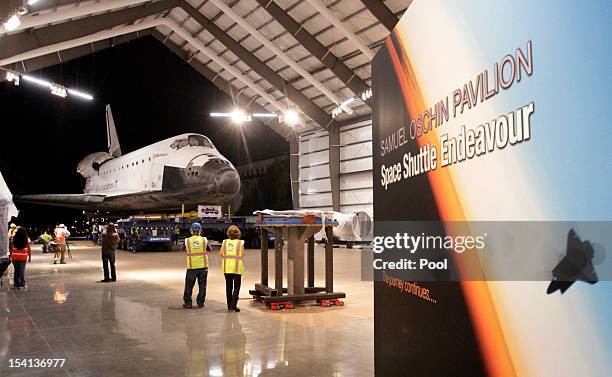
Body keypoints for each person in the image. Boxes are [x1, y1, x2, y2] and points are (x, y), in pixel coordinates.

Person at [182, 223, 211, 309]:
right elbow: (210, 249)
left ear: (191, 230)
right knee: (202, 285)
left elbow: (182, 248)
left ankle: (188, 303)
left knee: (189, 285)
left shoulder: (187, 240)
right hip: (203, 267)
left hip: (191, 267)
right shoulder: (204, 240)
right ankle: (200, 303)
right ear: (200, 231)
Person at [220, 225, 245, 312]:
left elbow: (221, 254)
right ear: (238, 234)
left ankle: (229, 306)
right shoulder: (240, 243)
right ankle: (233, 306)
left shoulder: (224, 242)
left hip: (227, 267)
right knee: (236, 287)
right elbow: (242, 255)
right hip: (237, 268)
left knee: (228, 287)